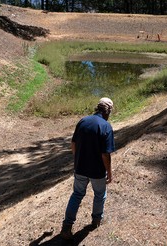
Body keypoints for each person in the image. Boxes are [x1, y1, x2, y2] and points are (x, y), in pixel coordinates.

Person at [60, 97, 115, 240]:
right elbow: (105, 154)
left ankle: (66, 227)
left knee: (77, 195)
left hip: (80, 168)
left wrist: (77, 160)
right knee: (99, 194)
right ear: (108, 111)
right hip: (97, 171)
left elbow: (73, 144)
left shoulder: (83, 121)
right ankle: (96, 221)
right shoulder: (105, 126)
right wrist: (109, 172)